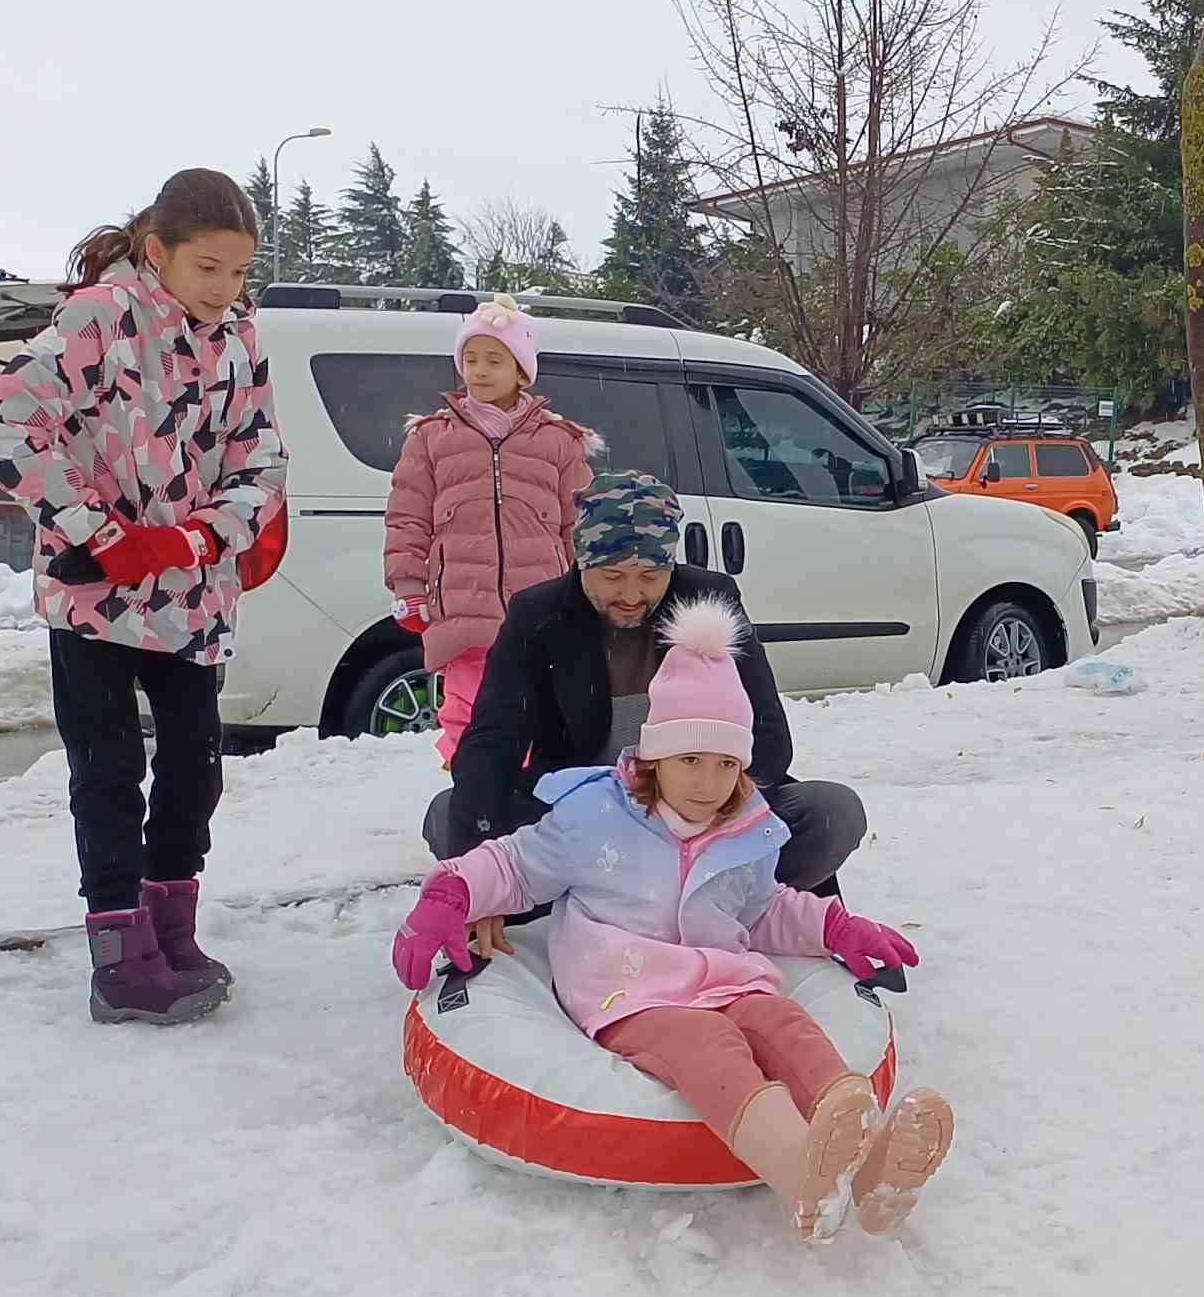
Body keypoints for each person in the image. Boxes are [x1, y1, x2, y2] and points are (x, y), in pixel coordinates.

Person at [393, 596, 954, 1241]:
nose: (707, 782)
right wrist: (450, 897)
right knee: (712, 1050)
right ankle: (802, 1173)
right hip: (629, 992)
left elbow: (763, 907)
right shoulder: (596, 817)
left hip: (724, 977)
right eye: (690, 760)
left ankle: (865, 1152)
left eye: (725, 764)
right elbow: (516, 866)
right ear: (654, 756)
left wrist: (838, 929)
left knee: (784, 1024)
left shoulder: (744, 828)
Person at [0, 169, 287, 1024]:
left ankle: (168, 925)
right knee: (109, 770)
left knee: (194, 768)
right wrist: (101, 535)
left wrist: (191, 540)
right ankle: (118, 953)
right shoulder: (99, 319)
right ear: (158, 252)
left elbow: (263, 461)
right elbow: (3, 424)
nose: (224, 290)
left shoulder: (242, 340)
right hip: (94, 600)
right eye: (207, 269)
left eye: (237, 272)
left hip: (191, 597)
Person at [423, 471, 868, 955]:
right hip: (584, 823)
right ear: (581, 560)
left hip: (703, 816)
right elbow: (492, 740)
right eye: (613, 576)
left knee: (831, 813)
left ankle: (728, 900)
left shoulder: (709, 601)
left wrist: (702, 809)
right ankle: (592, 896)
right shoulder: (538, 614)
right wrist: (480, 886)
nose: (632, 594)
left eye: (651, 577)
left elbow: (766, 737)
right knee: (449, 816)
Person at [383, 292, 599, 763]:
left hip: (539, 603)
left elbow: (580, 526)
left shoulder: (558, 441)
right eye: (471, 358)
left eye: (494, 360)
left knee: (538, 704)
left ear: (522, 371)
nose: (479, 370)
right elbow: (407, 518)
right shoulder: (432, 437)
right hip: (463, 602)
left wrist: (587, 592)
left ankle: (528, 793)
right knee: (468, 705)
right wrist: (408, 586)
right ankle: (471, 790)